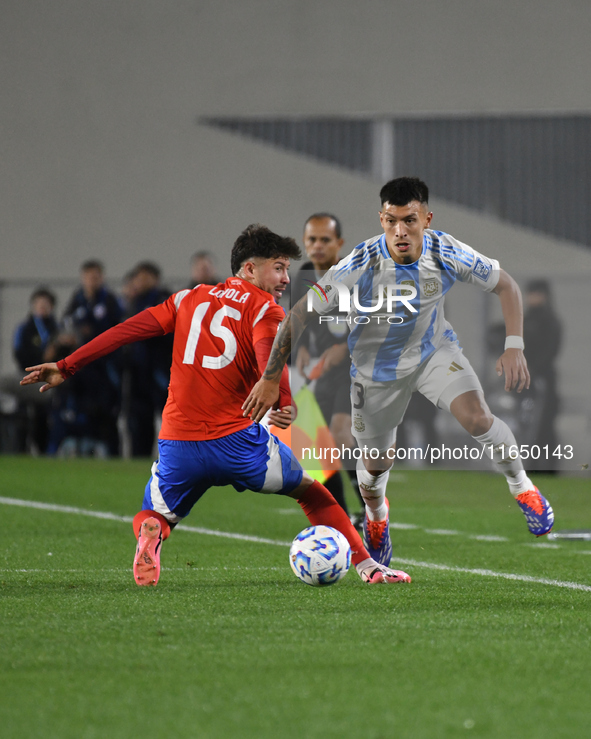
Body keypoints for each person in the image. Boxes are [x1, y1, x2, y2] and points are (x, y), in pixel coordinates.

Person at [21, 224, 410, 587]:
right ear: (249, 269)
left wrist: (67, 365)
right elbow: (270, 355)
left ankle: (152, 534)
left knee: (152, 513)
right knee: (314, 494)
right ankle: (369, 567)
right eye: (278, 269)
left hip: (178, 443)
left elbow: (126, 331)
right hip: (239, 445)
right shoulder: (265, 309)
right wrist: (280, 396)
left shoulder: (187, 297)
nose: (286, 279)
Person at [243, 177, 554, 567]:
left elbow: (506, 286)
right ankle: (377, 518)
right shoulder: (359, 264)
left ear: (427, 217)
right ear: (381, 219)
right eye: (391, 221)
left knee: (478, 417)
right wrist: (271, 378)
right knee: (374, 468)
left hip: (433, 354)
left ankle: (523, 488)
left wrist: (515, 346)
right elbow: (299, 314)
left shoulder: (446, 250)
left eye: (409, 220)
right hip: (375, 373)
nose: (400, 231)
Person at [291, 213, 365, 523]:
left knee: (340, 435)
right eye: (312, 240)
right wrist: (303, 347)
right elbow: (300, 319)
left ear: (339, 243)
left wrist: (344, 347)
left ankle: (370, 508)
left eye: (325, 240)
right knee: (318, 447)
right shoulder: (304, 275)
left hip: (357, 371)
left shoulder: (357, 276)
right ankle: (345, 516)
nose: (318, 246)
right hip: (323, 373)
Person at [58, 260, 123, 455]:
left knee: (105, 411)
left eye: (95, 277)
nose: (92, 281)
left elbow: (117, 330)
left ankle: (112, 453)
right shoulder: (77, 299)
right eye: (88, 277)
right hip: (82, 367)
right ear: (82, 278)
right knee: (80, 408)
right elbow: (66, 323)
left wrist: (91, 332)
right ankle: (81, 450)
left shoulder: (110, 300)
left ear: (102, 278)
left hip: (104, 367)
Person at [124, 262, 173, 456]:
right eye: (138, 277)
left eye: (144, 277)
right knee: (139, 418)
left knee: (167, 415)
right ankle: (139, 456)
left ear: (155, 278)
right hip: (137, 371)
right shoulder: (133, 302)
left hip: (160, 369)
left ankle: (171, 456)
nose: (140, 281)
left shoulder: (164, 299)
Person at [13, 288, 59, 453]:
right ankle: (20, 449)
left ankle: (43, 450)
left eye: (46, 304)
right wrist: (41, 357)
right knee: (22, 416)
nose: (42, 308)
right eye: (39, 304)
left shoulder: (57, 328)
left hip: (49, 381)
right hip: (27, 378)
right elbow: (19, 354)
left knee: (44, 418)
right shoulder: (24, 329)